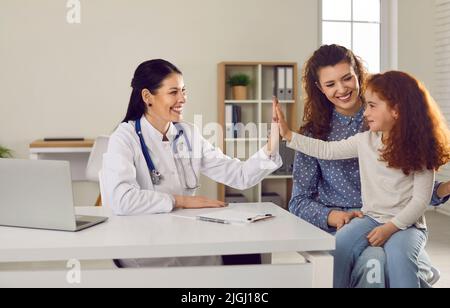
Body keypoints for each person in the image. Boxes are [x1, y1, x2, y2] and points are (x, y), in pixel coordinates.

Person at [286, 44, 450, 288]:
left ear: (358, 74)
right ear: (319, 88)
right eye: (330, 84)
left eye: (347, 78)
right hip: (350, 225)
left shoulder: (384, 120)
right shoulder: (319, 134)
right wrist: (334, 216)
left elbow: (411, 189)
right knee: (374, 261)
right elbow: (298, 201)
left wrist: (443, 189)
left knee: (391, 259)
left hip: (398, 222)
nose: (341, 89)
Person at [101, 59, 282, 267]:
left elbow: (239, 175)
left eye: (183, 91)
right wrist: (181, 201)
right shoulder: (125, 137)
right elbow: (122, 199)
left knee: (250, 253)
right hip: (146, 246)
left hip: (188, 239)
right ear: (147, 97)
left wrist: (272, 143)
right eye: (173, 92)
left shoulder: (188, 134)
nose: (182, 99)